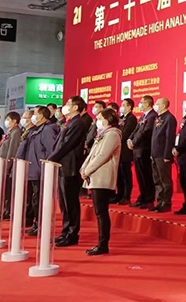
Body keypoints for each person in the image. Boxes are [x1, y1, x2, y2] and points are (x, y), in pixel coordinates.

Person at [47, 96, 89, 246]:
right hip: (62, 165)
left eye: (68, 103)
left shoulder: (78, 123)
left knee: (70, 202)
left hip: (70, 166)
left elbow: (67, 144)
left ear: (76, 107)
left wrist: (52, 158)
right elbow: (59, 143)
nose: (65, 106)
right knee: (64, 203)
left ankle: (72, 234)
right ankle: (65, 232)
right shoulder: (68, 122)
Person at [80, 108, 122, 256]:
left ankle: (103, 244)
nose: (97, 121)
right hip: (95, 176)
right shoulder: (103, 134)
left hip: (102, 177)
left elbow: (103, 155)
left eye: (99, 118)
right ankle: (101, 243)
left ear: (107, 119)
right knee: (99, 212)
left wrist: (88, 170)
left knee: (101, 212)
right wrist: (84, 168)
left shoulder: (113, 134)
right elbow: (92, 154)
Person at [18, 106, 60, 235]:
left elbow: (51, 150)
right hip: (33, 169)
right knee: (35, 200)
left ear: (41, 116)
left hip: (40, 170)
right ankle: (36, 223)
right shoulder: (36, 130)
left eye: (35, 114)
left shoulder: (47, 130)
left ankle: (41, 225)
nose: (33, 117)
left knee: (39, 200)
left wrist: (45, 166)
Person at [129, 95, 157, 209]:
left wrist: (134, 142)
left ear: (147, 103)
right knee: (140, 177)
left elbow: (146, 132)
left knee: (147, 176)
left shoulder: (152, 116)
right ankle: (142, 197)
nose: (140, 104)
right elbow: (136, 130)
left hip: (145, 150)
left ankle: (149, 199)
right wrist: (130, 139)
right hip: (137, 150)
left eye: (142, 102)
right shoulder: (143, 116)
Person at [150, 97, 176, 212]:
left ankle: (166, 203)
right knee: (157, 179)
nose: (155, 105)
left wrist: (167, 155)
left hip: (163, 154)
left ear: (164, 105)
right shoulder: (158, 117)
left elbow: (169, 138)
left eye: (157, 103)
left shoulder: (169, 118)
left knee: (165, 179)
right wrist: (152, 153)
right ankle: (159, 201)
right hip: (155, 153)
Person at [0, 111, 23, 219]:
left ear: (14, 121)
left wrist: (8, 165)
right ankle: (4, 209)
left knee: (8, 190)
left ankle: (8, 211)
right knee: (4, 189)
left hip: (8, 165)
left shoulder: (16, 132)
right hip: (1, 164)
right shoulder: (10, 131)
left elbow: (12, 149)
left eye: (8, 120)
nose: (6, 122)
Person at [112, 98, 137, 205]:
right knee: (119, 175)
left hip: (125, 150)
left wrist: (116, 139)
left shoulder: (131, 118)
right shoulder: (121, 118)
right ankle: (120, 195)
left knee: (126, 174)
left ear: (129, 107)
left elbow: (126, 133)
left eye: (123, 105)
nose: (121, 107)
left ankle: (126, 196)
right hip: (118, 150)